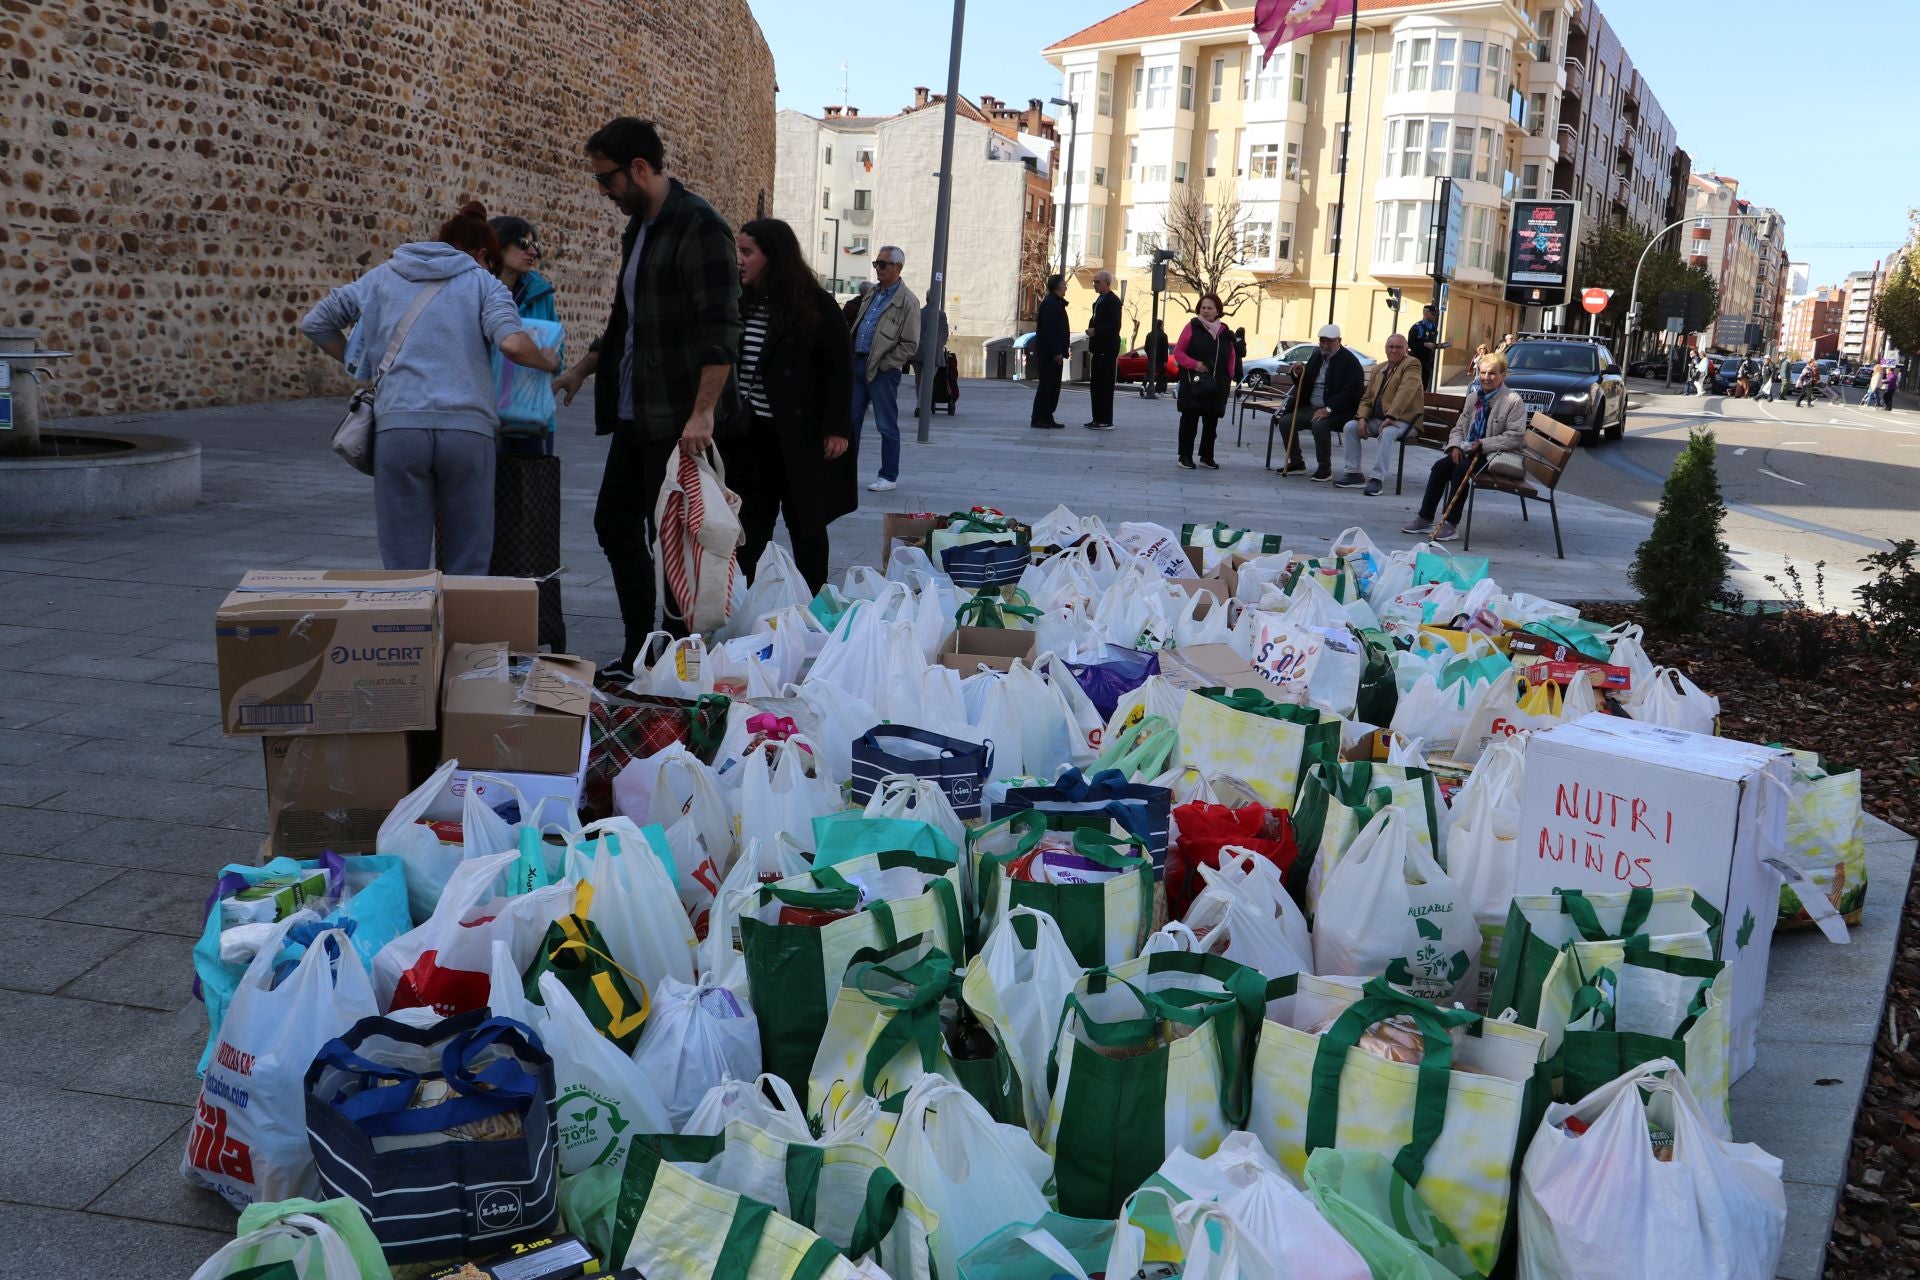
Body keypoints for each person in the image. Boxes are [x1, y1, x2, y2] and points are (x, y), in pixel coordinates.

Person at [550, 117, 742, 677]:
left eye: (605, 179)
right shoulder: (639, 230)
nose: (602, 192)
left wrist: (703, 411)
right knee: (615, 523)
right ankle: (644, 644)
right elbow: (625, 320)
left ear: (639, 168)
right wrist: (585, 368)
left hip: (678, 416)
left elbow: (721, 331)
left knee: (677, 535)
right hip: (637, 410)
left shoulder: (700, 226)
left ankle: (675, 655)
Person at [301, 201, 559, 575]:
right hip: (467, 432)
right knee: (468, 560)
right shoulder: (485, 283)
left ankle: (409, 628)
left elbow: (316, 322)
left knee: (403, 563)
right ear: (484, 254)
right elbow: (513, 344)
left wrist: (360, 363)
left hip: (399, 428)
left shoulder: (383, 276)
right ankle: (463, 632)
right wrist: (546, 361)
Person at [722, 218, 854, 595]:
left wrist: (837, 427)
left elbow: (839, 369)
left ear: (773, 256)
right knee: (749, 526)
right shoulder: (740, 302)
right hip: (751, 438)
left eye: (747, 252)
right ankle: (745, 600)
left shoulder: (815, 305)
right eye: (739, 251)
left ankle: (813, 603)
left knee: (807, 526)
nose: (739, 260)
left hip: (801, 438)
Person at [1401, 352, 1526, 543]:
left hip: (1494, 453)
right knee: (1441, 467)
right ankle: (1425, 517)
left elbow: (1514, 437)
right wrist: (1455, 447)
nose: (1486, 378)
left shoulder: (1513, 401)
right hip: (1468, 448)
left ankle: (1450, 524)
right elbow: (1459, 427)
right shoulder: (1473, 397)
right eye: (1483, 373)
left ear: (1503, 375)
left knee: (1460, 470)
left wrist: (1483, 444)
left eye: (1492, 373)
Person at [845, 245, 920, 492]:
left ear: (898, 267)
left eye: (883, 264)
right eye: (876, 263)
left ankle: (888, 476)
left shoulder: (908, 301)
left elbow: (910, 344)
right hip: (857, 363)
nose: (878, 268)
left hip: (883, 370)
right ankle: (844, 473)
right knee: (850, 421)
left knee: (886, 424)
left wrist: (887, 363)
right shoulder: (873, 293)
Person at [1336, 332, 1424, 495]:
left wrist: (1391, 416)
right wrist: (1362, 418)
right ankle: (1353, 473)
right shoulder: (1379, 369)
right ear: (1385, 349)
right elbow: (1367, 397)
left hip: (1406, 421)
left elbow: (1406, 391)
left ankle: (1377, 479)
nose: (1394, 350)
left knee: (1388, 431)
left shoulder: (1412, 364)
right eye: (1391, 347)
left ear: (1406, 350)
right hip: (1379, 419)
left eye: (1399, 347)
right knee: (1350, 426)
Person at [1281, 324, 1364, 479]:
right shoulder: (1316, 355)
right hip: (1312, 406)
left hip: (1338, 410)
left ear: (1339, 341)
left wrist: (1328, 409)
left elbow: (1351, 393)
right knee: (1285, 422)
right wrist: (1298, 373)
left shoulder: (1350, 362)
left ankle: (1325, 468)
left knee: (1319, 424)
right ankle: (1297, 462)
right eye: (1322, 341)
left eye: (1329, 342)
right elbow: (1304, 383)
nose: (1325, 345)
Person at [1171, 292, 1237, 470]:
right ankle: (1184, 456)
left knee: (1211, 423)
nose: (1205, 311)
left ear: (1218, 311)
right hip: (1194, 383)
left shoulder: (1225, 333)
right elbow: (1178, 352)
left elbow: (1231, 356)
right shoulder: (1191, 327)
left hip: (1217, 385)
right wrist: (1195, 364)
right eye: (1203, 307)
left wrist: (1229, 376)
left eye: (1210, 308)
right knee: (1189, 421)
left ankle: (1207, 457)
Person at [1028, 273, 1070, 429]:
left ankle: (1047, 416)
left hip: (1055, 353)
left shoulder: (1056, 303)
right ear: (1059, 286)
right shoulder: (1050, 304)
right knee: (1047, 386)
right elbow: (1048, 331)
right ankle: (1038, 417)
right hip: (1050, 355)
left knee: (1053, 387)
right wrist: (1056, 352)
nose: (1066, 286)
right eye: (1064, 284)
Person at [1086, 270, 1121, 430]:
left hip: (1107, 349)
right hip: (1097, 349)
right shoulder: (1099, 300)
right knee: (1096, 385)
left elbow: (1114, 326)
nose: (1095, 284)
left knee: (1105, 386)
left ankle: (1105, 419)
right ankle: (1097, 418)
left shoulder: (1113, 302)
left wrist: (1096, 331)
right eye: (1094, 281)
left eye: (1098, 281)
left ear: (1107, 283)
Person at [1408, 304, 1445, 389]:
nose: (1435, 316)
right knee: (1414, 386)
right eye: (1433, 314)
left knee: (1423, 387)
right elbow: (1410, 344)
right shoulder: (1417, 327)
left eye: (1436, 314)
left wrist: (1440, 345)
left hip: (1427, 363)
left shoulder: (1433, 327)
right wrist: (1424, 344)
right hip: (1416, 362)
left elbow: (1431, 344)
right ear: (1426, 313)